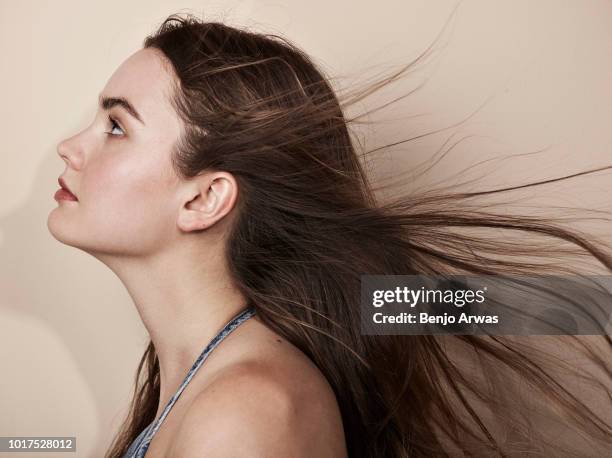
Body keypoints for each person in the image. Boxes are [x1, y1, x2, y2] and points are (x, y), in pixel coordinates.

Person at [47, 12, 611, 458]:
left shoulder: (244, 413)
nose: (69, 146)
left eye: (116, 126)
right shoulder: (208, 383)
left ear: (204, 198)